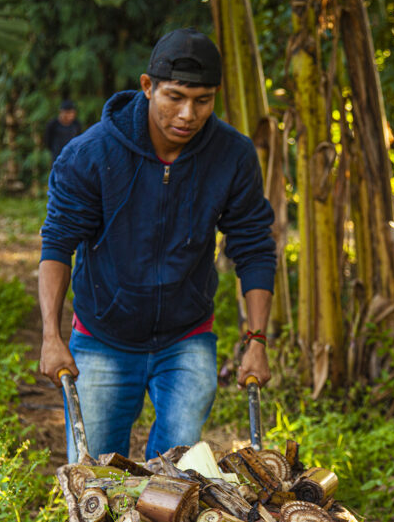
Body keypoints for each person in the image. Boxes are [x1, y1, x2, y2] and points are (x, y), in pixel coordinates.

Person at [38, 27, 276, 463]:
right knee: (94, 482)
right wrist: (51, 336)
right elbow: (57, 243)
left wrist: (256, 339)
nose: (188, 114)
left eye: (202, 101)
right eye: (175, 97)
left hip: (187, 337)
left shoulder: (233, 155)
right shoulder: (90, 154)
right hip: (102, 336)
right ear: (147, 87)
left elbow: (254, 246)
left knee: (177, 477)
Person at [43, 99, 83, 164]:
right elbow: (48, 141)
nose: (70, 115)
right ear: (61, 112)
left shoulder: (76, 124)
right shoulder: (53, 124)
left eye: (72, 113)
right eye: (68, 113)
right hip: (57, 157)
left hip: (73, 157)